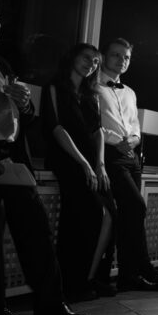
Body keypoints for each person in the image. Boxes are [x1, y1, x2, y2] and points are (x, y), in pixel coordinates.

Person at [0, 0, 85, 315]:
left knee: (36, 229)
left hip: (12, 158)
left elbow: (24, 119)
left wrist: (26, 105)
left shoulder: (1, 63)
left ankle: (50, 305)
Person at [40, 43, 117, 300]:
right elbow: (57, 128)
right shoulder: (54, 87)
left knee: (110, 213)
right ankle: (72, 282)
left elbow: (98, 132)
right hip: (66, 158)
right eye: (87, 58)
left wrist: (100, 164)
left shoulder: (90, 94)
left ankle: (87, 278)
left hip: (90, 162)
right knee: (92, 213)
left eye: (96, 62)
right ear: (73, 56)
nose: (91, 64)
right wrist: (84, 163)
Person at [97, 38, 158, 292]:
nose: (121, 61)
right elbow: (93, 124)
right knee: (136, 207)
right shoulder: (92, 86)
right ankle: (134, 271)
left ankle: (137, 271)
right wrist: (115, 141)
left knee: (134, 215)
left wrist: (134, 140)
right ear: (104, 56)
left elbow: (135, 126)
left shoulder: (129, 92)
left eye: (126, 57)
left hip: (130, 156)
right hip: (108, 154)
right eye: (116, 55)